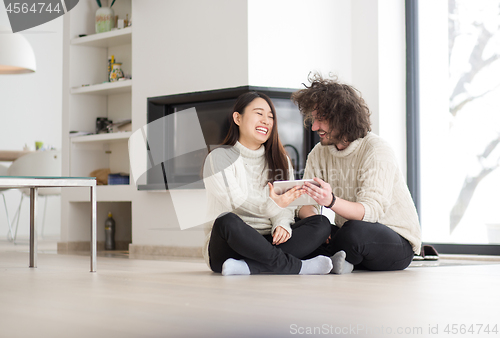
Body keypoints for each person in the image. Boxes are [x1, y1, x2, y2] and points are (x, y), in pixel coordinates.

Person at [292, 74, 422, 274]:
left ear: (342, 117)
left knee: (354, 232)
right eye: (313, 119)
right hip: (350, 234)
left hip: (395, 241)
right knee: (302, 228)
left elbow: (370, 213)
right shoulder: (319, 152)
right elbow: (304, 204)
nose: (314, 127)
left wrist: (331, 201)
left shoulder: (376, 149)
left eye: (321, 119)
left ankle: (329, 258)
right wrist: (315, 224)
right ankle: (341, 260)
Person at [203, 91, 333, 276]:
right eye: (259, 113)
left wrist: (282, 223)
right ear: (237, 118)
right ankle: (297, 266)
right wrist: (272, 205)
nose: (266, 120)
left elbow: (286, 204)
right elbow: (237, 204)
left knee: (320, 223)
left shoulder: (280, 159)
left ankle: (248, 268)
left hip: (270, 239)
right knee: (226, 221)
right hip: (231, 244)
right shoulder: (218, 158)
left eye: (270, 116)